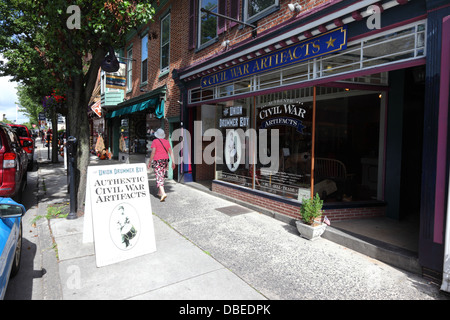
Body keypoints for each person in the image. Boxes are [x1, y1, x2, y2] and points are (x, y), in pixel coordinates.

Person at [147, 128, 175, 202]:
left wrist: (150, 161)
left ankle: (163, 193)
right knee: (162, 175)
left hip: (157, 160)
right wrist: (173, 162)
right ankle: (159, 192)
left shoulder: (155, 141)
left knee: (158, 175)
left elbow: (153, 152)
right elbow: (171, 152)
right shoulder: (166, 142)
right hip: (165, 160)